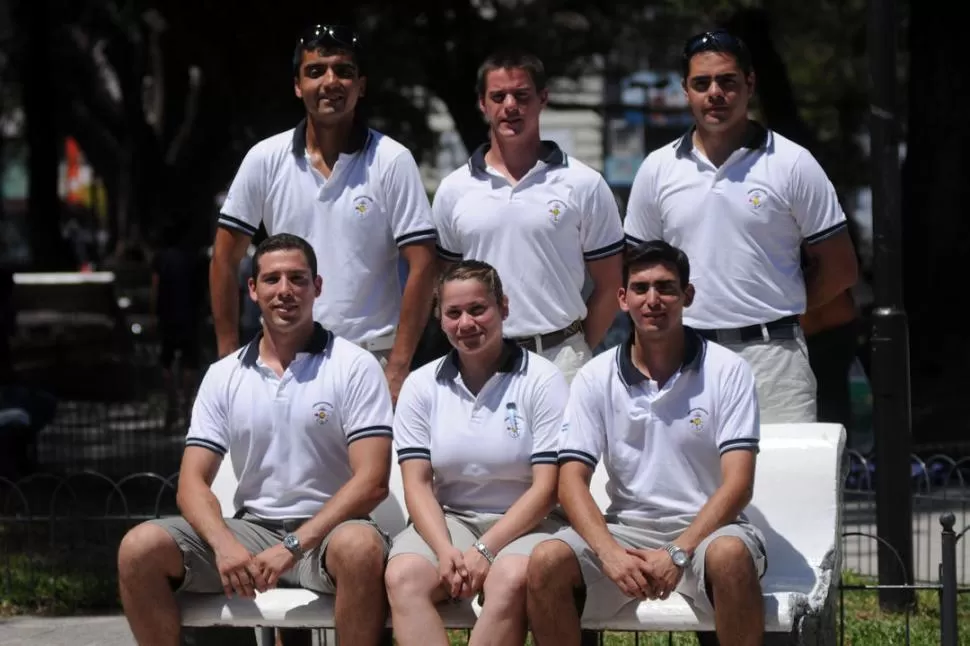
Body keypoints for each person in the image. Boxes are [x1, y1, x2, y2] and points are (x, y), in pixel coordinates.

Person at [118, 234, 394, 646]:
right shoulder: (224, 375)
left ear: (317, 287)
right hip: (252, 532)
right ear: (252, 289)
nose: (285, 291)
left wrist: (294, 545)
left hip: (331, 534)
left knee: (360, 548)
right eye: (272, 279)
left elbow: (372, 480)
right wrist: (224, 545)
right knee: (138, 549)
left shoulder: (354, 366)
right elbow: (191, 485)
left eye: (298, 279)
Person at [526, 241, 767, 646]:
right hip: (626, 532)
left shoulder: (729, 370)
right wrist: (609, 553)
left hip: (708, 533)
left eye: (666, 288)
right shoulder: (595, 375)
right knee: (546, 561)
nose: (653, 300)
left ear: (687, 296)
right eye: (640, 288)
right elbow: (569, 482)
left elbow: (739, 484)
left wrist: (678, 551)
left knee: (730, 556)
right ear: (622, 298)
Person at [623, 29, 858, 423]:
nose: (715, 92)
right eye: (702, 83)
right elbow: (637, 270)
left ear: (749, 85)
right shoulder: (657, 169)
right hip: (685, 357)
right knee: (689, 484)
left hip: (776, 361)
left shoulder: (793, 163)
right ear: (686, 91)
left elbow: (840, 268)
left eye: (727, 81)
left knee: (781, 482)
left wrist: (777, 307)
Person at [210, 24, 437, 402]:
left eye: (343, 71)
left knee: (373, 466)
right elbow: (224, 257)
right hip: (285, 361)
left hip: (373, 361)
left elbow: (424, 264)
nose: (330, 81)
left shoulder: (392, 160)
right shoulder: (265, 159)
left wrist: (398, 367)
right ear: (298, 85)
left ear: (361, 86)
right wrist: (228, 359)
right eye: (315, 71)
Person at [385, 260, 569, 646]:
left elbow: (548, 487)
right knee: (402, 577)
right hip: (451, 521)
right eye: (453, 313)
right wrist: (444, 549)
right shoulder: (421, 385)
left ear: (503, 306)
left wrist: (485, 550)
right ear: (440, 318)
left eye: (477, 309)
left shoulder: (542, 379)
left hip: (531, 523)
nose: (466, 323)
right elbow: (417, 484)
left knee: (511, 579)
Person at [432, 49, 624, 383]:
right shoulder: (453, 190)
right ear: (482, 104)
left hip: (562, 359)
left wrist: (574, 348)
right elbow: (446, 286)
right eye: (498, 96)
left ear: (542, 99)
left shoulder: (584, 183)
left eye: (521, 95)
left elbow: (610, 286)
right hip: (481, 359)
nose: (510, 105)